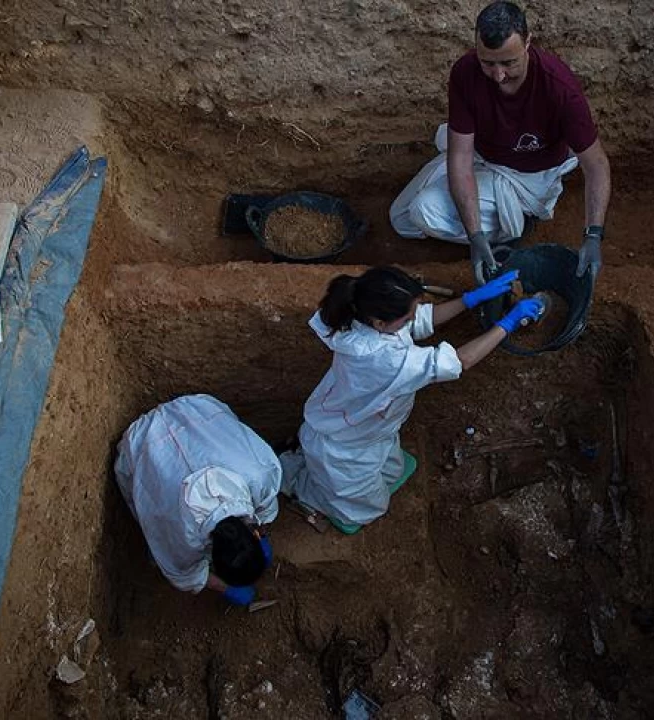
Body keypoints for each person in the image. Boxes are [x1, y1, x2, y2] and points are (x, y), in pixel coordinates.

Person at [280, 266, 543, 533]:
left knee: (393, 471)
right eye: (407, 317)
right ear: (380, 323)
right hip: (344, 446)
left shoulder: (360, 317)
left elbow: (419, 321)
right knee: (364, 511)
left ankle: (310, 461)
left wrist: (470, 299)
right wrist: (507, 324)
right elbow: (460, 360)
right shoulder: (385, 360)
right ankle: (298, 484)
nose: (413, 320)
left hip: (368, 428)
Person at [389, 1, 612, 283]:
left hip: (528, 175)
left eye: (508, 63)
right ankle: (491, 230)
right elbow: (460, 157)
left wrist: (593, 235)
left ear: (528, 43)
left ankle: (517, 223)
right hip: (484, 156)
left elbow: (597, 165)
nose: (498, 75)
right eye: (488, 63)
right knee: (402, 219)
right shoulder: (466, 72)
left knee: (424, 210)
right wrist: (475, 237)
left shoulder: (558, 88)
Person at [114, 394, 280, 607]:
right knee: (158, 539)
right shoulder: (181, 537)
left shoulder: (258, 476)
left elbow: (265, 505)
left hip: (194, 411)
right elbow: (183, 573)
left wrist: (260, 533)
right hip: (139, 445)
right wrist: (225, 588)